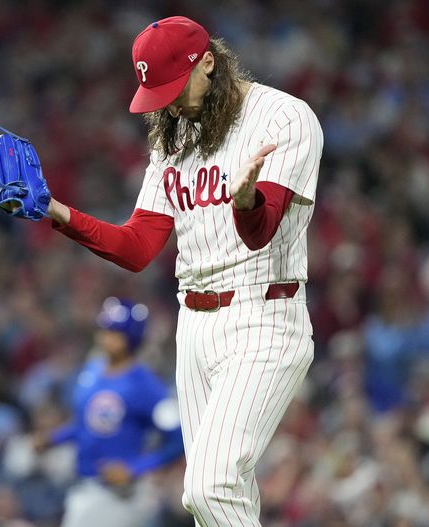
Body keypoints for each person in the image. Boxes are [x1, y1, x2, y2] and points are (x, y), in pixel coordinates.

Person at [45, 15, 322, 525]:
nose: (169, 103)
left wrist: (245, 202)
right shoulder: (174, 138)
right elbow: (137, 247)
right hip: (194, 328)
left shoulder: (284, 117)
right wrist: (56, 212)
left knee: (208, 486)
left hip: (264, 316)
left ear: (209, 63)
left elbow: (260, 232)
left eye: (175, 88)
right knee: (218, 502)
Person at [34, 297, 184, 527]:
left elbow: (178, 438)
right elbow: (89, 424)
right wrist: (55, 438)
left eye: (113, 331)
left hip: (122, 494)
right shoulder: (93, 370)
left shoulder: (145, 384)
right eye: (104, 329)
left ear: (130, 337)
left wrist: (135, 468)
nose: (105, 335)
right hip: (86, 485)